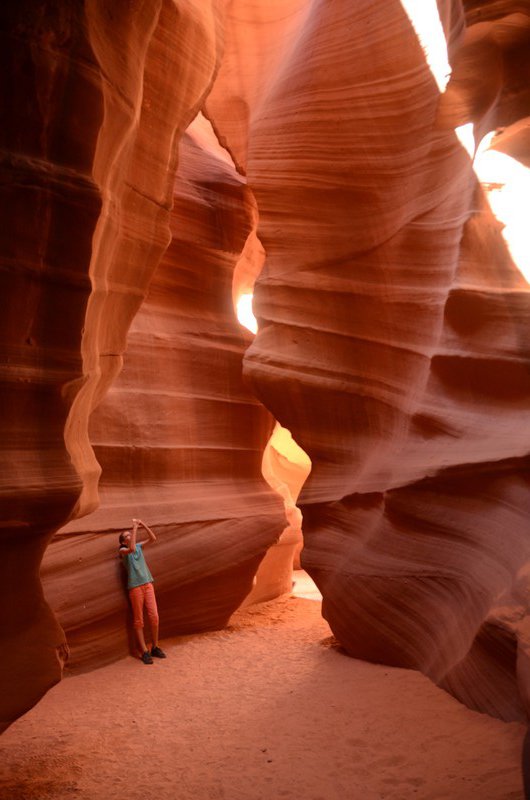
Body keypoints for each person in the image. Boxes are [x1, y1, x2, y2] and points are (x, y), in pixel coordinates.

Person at [118, 518, 166, 664]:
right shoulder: (123, 550)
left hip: (147, 584)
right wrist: (134, 527)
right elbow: (131, 549)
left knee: (154, 616)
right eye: (127, 536)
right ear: (123, 541)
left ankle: (155, 647)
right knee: (139, 620)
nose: (130, 536)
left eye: (129, 535)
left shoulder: (138, 546)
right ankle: (144, 651)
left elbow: (153, 538)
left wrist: (143, 524)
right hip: (135, 587)